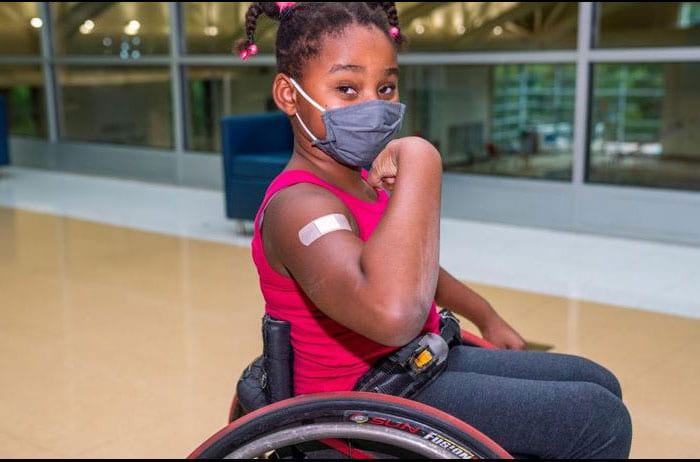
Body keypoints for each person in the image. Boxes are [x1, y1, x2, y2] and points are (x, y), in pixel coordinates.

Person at [237, 2, 632, 458]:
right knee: (595, 420)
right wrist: (422, 159)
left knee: (599, 381)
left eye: (385, 87)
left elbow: (420, 269)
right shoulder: (300, 208)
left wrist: (486, 316)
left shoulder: (364, 185)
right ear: (288, 95)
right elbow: (392, 314)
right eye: (347, 88)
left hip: (410, 365)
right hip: (359, 401)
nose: (374, 106)